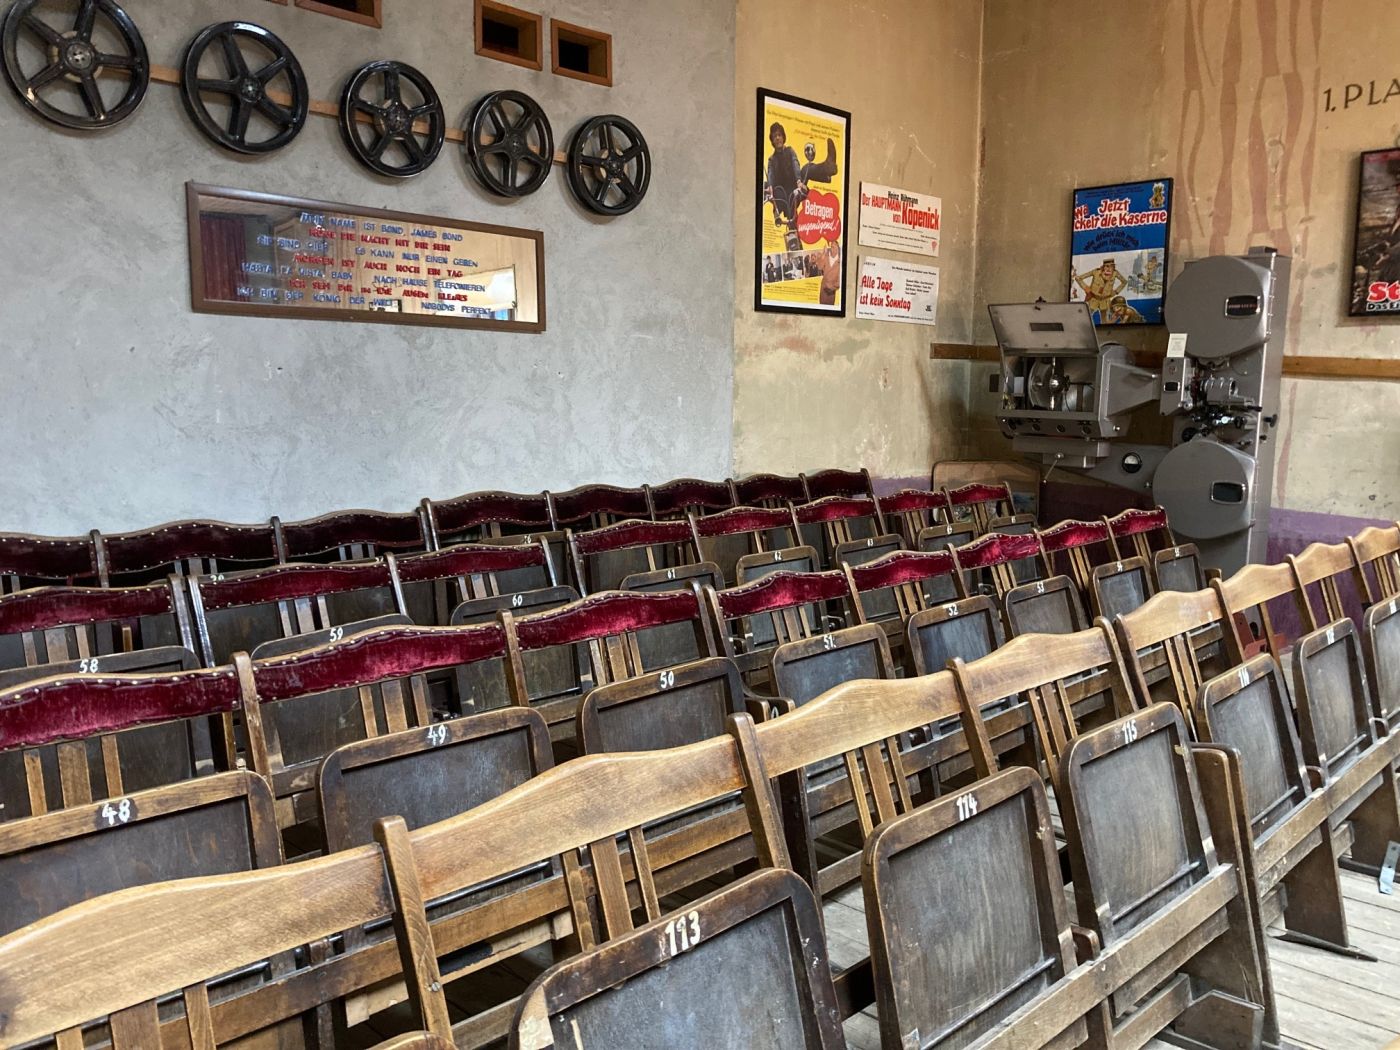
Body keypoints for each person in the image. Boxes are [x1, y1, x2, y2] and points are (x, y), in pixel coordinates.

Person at [765, 122, 803, 228]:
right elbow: (770, 174)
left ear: (783, 137)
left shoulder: (790, 151)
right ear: (772, 140)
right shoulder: (771, 159)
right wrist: (770, 186)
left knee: (807, 169)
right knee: (765, 185)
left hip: (793, 188)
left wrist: (799, 180)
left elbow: (795, 164)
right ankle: (776, 212)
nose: (777, 138)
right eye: (774, 136)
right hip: (779, 192)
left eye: (779, 135)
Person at [817, 240, 842, 306]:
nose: (832, 249)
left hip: (831, 290)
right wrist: (823, 254)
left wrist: (832, 288)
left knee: (830, 307)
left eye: (834, 247)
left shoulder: (840, 262)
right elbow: (819, 267)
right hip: (824, 288)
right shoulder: (826, 257)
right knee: (822, 306)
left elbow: (840, 280)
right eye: (831, 247)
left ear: (838, 249)